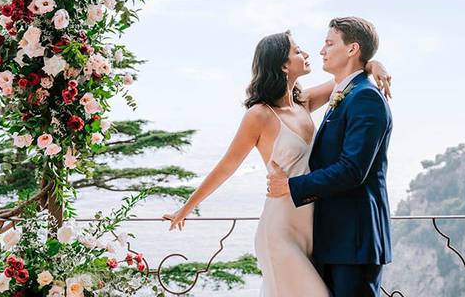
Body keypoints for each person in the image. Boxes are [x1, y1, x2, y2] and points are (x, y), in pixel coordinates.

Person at [162, 29, 391, 297]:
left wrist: (374, 64)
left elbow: (349, 78)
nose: (307, 54)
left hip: (312, 227)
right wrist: (187, 208)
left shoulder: (303, 103)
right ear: (283, 65)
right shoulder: (259, 115)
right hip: (281, 226)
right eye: (297, 51)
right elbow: (227, 166)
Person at [267, 17, 393, 297]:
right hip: (334, 240)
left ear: (352, 49)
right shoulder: (345, 92)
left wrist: (290, 187)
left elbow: (352, 170)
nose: (321, 50)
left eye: (329, 43)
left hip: (354, 242)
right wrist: (372, 64)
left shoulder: (366, 98)